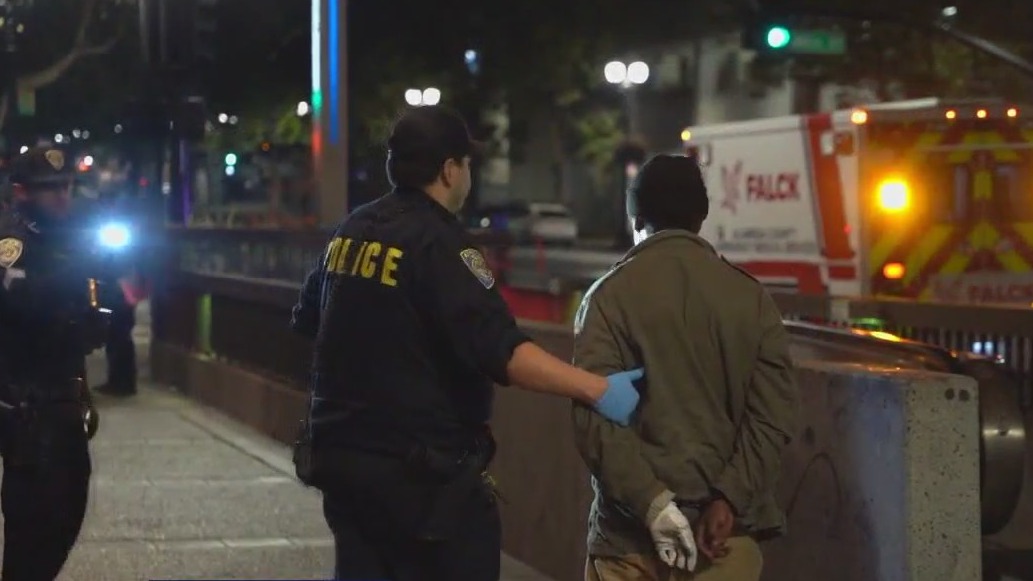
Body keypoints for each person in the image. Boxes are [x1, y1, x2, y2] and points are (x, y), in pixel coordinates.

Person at [289, 105, 644, 581]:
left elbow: (309, 319)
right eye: (467, 164)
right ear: (449, 169)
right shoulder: (442, 245)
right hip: (417, 476)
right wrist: (598, 389)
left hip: (340, 460)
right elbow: (504, 351)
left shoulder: (352, 230)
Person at [571, 154, 800, 581]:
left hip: (630, 542)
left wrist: (653, 503)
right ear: (702, 214)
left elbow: (595, 418)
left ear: (636, 214)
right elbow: (772, 417)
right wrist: (727, 500)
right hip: (723, 542)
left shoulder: (608, 297)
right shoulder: (751, 299)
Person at [0, 146, 107, 580]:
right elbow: (24, 300)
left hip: (62, 399)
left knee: (65, 514)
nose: (63, 197)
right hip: (30, 406)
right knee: (34, 532)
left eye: (65, 187)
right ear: (23, 193)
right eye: (50, 190)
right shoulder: (14, 240)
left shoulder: (64, 235)